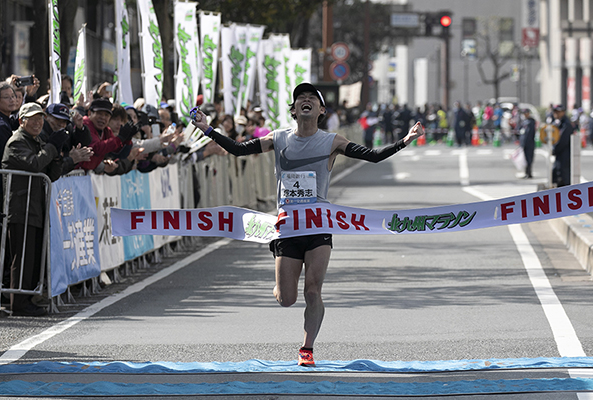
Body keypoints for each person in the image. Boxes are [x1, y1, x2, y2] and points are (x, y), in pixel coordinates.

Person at [190, 82, 424, 366]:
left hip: (318, 228)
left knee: (313, 290)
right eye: (300, 98)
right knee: (286, 299)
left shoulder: (332, 141)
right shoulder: (278, 138)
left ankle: (307, 348)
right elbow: (239, 150)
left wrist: (405, 140)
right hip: (288, 228)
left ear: (321, 109)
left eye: (312, 98)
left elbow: (372, 156)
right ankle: (278, 281)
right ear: (294, 109)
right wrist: (207, 129)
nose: (305, 100)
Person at [2, 103, 65, 316]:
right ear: (22, 121)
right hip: (21, 207)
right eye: (33, 118)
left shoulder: (37, 141)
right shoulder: (16, 142)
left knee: (33, 255)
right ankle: (18, 303)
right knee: (22, 257)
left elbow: (51, 173)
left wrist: (57, 154)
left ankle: (27, 298)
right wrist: (50, 148)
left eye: (41, 118)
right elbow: (34, 165)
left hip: (35, 206)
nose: (38, 123)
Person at [0, 82, 18, 288]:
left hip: (2, 188)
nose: (13, 99)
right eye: (7, 97)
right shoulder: (0, 126)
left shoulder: (7, 121)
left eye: (14, 95)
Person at [79, 98, 137, 172]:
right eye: (99, 113)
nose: (103, 117)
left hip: (85, 175)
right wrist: (120, 138)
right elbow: (97, 148)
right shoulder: (84, 124)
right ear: (90, 113)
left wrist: (127, 139)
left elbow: (119, 153)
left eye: (106, 115)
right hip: (74, 173)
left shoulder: (106, 130)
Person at [41, 103, 93, 175]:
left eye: (64, 121)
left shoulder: (66, 131)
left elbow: (82, 144)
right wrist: (71, 159)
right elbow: (47, 167)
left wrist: (80, 128)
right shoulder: (40, 134)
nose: (61, 124)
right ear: (46, 117)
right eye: (57, 119)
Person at [551, 104, 574, 187]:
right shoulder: (558, 123)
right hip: (560, 154)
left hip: (564, 154)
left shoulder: (566, 124)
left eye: (558, 112)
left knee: (563, 177)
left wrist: (554, 149)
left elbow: (563, 141)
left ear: (563, 112)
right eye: (555, 112)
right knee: (557, 174)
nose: (556, 114)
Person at [519, 108, 536, 179]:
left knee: (529, 159)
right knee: (525, 159)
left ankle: (529, 173)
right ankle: (526, 173)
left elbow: (529, 134)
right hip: (524, 143)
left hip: (529, 143)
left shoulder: (531, 122)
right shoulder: (524, 121)